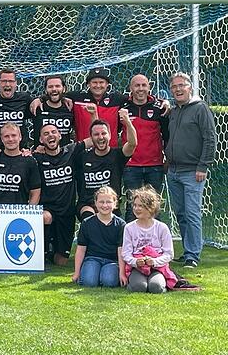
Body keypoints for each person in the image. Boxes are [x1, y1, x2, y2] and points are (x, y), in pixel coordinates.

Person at [165, 72, 216, 268]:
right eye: (174, 86)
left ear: (190, 87)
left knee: (192, 213)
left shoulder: (200, 109)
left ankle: (193, 255)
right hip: (174, 171)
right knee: (181, 213)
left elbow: (210, 139)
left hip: (193, 171)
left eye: (181, 85)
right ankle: (187, 250)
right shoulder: (175, 111)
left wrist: (203, 166)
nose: (178, 89)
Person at [34, 124, 89, 266]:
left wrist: (94, 114)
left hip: (67, 213)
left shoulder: (71, 151)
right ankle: (42, 252)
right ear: (41, 139)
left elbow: (93, 139)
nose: (50, 135)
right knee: (45, 217)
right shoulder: (36, 159)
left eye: (53, 132)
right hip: (47, 210)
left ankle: (52, 253)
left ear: (60, 136)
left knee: (61, 262)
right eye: (46, 134)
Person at [120, 74, 168, 221]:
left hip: (154, 165)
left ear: (149, 87)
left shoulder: (159, 108)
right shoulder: (123, 108)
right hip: (130, 165)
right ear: (131, 88)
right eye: (137, 85)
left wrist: (168, 158)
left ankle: (155, 242)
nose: (140, 89)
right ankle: (129, 242)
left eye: (144, 85)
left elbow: (166, 136)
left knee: (153, 205)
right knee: (132, 205)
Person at [76, 110, 137, 220]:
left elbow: (132, 144)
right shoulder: (82, 157)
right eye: (96, 134)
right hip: (88, 205)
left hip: (111, 206)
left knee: (111, 224)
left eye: (104, 133)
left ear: (110, 135)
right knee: (91, 220)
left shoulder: (117, 155)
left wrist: (127, 122)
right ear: (91, 137)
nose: (100, 137)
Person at [122, 186, 176, 293]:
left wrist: (154, 261)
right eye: (135, 205)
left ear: (151, 208)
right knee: (139, 287)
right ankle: (133, 283)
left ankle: (163, 282)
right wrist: (136, 262)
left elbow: (169, 254)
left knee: (156, 287)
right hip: (137, 267)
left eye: (141, 206)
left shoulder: (162, 228)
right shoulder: (129, 227)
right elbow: (126, 253)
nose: (136, 208)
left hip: (157, 267)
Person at [71, 187, 125, 288]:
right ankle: (91, 273)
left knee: (109, 282)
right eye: (101, 202)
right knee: (89, 282)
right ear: (95, 203)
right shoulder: (87, 223)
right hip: (92, 259)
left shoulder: (121, 224)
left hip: (112, 261)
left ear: (115, 203)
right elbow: (81, 249)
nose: (105, 205)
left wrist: (122, 273)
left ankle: (104, 275)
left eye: (108, 202)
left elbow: (121, 250)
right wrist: (76, 272)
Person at [0, 68, 33, 151]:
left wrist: (40, 99)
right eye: (4, 81)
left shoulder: (25, 98)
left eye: (11, 81)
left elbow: (39, 111)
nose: (7, 84)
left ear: (16, 83)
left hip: (21, 151)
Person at [32, 75, 74, 146]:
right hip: (42, 154)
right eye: (50, 87)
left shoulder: (70, 108)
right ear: (45, 90)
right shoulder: (37, 107)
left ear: (64, 89)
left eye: (57, 86)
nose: (54, 89)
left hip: (65, 155)